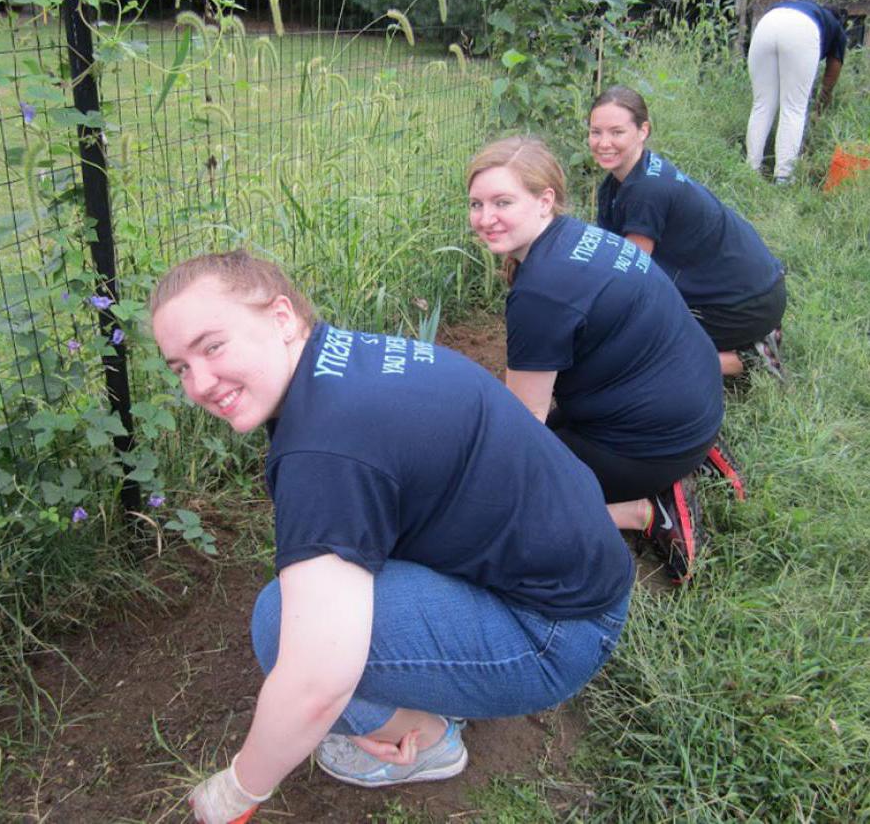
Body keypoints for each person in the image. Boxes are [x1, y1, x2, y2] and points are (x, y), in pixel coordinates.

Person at [150, 250, 634, 824]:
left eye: (213, 346)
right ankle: (439, 682)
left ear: (281, 318)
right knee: (317, 593)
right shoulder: (343, 360)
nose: (199, 383)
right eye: (180, 366)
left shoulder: (323, 449)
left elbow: (315, 682)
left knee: (282, 626)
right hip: (578, 574)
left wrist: (238, 788)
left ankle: (426, 740)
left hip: (554, 633)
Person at [467, 136, 724, 580]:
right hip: (692, 407)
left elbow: (525, 423)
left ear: (544, 200)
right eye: (476, 204)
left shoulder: (542, 292)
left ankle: (643, 511)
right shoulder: (578, 236)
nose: (485, 219)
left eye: (502, 202)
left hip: (656, 443)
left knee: (495, 505)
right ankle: (661, 470)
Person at [589, 86, 787, 381]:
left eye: (617, 132)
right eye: (596, 132)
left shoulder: (646, 191)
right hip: (752, 289)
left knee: (636, 354)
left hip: (743, 304)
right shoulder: (621, 180)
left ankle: (747, 360)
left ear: (643, 131)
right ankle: (748, 337)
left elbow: (629, 274)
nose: (604, 143)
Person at [746, 0, 847, 184]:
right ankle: (783, 177)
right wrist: (823, 100)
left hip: (767, 23)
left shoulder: (807, 7)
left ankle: (750, 171)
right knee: (793, 108)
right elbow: (834, 68)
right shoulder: (836, 28)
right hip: (802, 30)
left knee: (761, 105)